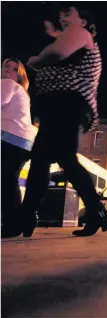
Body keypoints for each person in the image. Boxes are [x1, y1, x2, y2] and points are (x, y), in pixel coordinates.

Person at [19, 5, 107, 237]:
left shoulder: (81, 34)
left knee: (62, 159)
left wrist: (36, 60)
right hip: (60, 106)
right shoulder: (72, 36)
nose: (62, 17)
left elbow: (57, 53)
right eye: (61, 14)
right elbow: (58, 46)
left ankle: (95, 210)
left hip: (68, 105)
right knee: (41, 161)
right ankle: (27, 216)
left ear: (84, 21)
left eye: (68, 13)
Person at [1, 58, 37, 237]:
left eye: (14, 69)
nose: (9, 70)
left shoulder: (7, 84)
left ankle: (13, 224)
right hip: (23, 142)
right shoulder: (22, 92)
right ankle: (24, 219)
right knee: (8, 180)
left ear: (19, 75)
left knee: (6, 180)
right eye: (6, 66)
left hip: (10, 139)